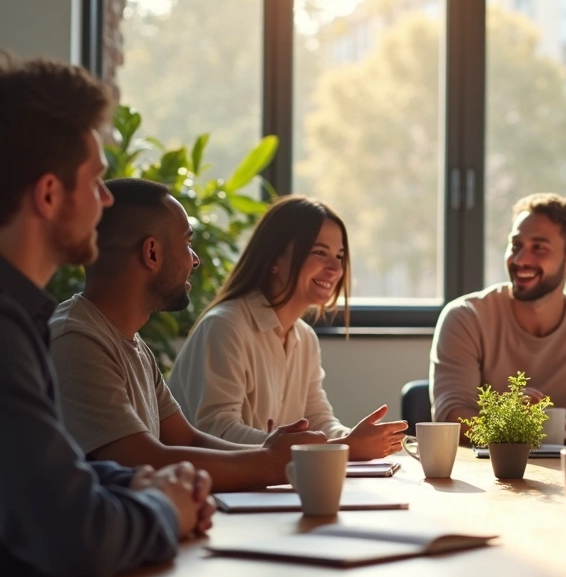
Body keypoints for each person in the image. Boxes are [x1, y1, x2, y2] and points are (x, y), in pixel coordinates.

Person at [0, 57, 212, 577]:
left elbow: (43, 475)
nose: (107, 202)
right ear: (50, 194)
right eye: (98, 182)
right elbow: (73, 536)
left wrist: (135, 483)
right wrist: (165, 509)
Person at [50, 178, 328, 491]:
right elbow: (142, 459)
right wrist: (269, 464)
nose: (195, 259)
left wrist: (271, 452)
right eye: (186, 243)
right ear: (152, 253)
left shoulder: (132, 343)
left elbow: (188, 438)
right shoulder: (77, 341)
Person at [171, 195, 407, 459]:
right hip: (215, 492)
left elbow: (319, 420)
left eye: (339, 256)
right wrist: (342, 449)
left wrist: (353, 439)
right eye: (319, 253)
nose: (335, 268)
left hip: (266, 488)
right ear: (275, 258)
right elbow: (216, 431)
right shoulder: (225, 326)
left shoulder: (304, 338)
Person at [431, 193, 566, 446]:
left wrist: (558, 435)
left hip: (562, 475)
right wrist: (511, 420)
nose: (520, 260)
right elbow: (450, 416)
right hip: (480, 474)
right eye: (515, 246)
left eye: (539, 248)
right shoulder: (465, 318)